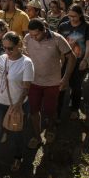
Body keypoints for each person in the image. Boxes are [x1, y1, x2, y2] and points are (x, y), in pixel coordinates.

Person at [0, 32, 34, 178]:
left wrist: (18, 105)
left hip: (16, 105)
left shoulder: (26, 63)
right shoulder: (3, 58)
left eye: (11, 49)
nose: (7, 52)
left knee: (16, 133)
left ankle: (17, 157)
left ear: (19, 46)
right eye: (5, 48)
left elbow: (27, 88)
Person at [24, 19, 75, 147]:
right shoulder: (28, 38)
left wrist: (65, 78)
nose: (34, 38)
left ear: (44, 30)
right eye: (31, 35)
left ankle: (51, 128)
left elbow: (72, 57)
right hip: (33, 81)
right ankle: (37, 136)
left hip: (52, 83)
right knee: (34, 110)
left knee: (50, 110)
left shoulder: (57, 39)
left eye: (37, 35)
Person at [57, 4, 89, 120]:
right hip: (64, 61)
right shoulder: (63, 26)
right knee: (61, 85)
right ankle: (57, 111)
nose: (72, 18)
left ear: (80, 15)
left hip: (79, 60)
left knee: (76, 86)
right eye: (69, 16)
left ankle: (74, 109)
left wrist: (85, 60)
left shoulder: (87, 27)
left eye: (74, 16)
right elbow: (57, 42)